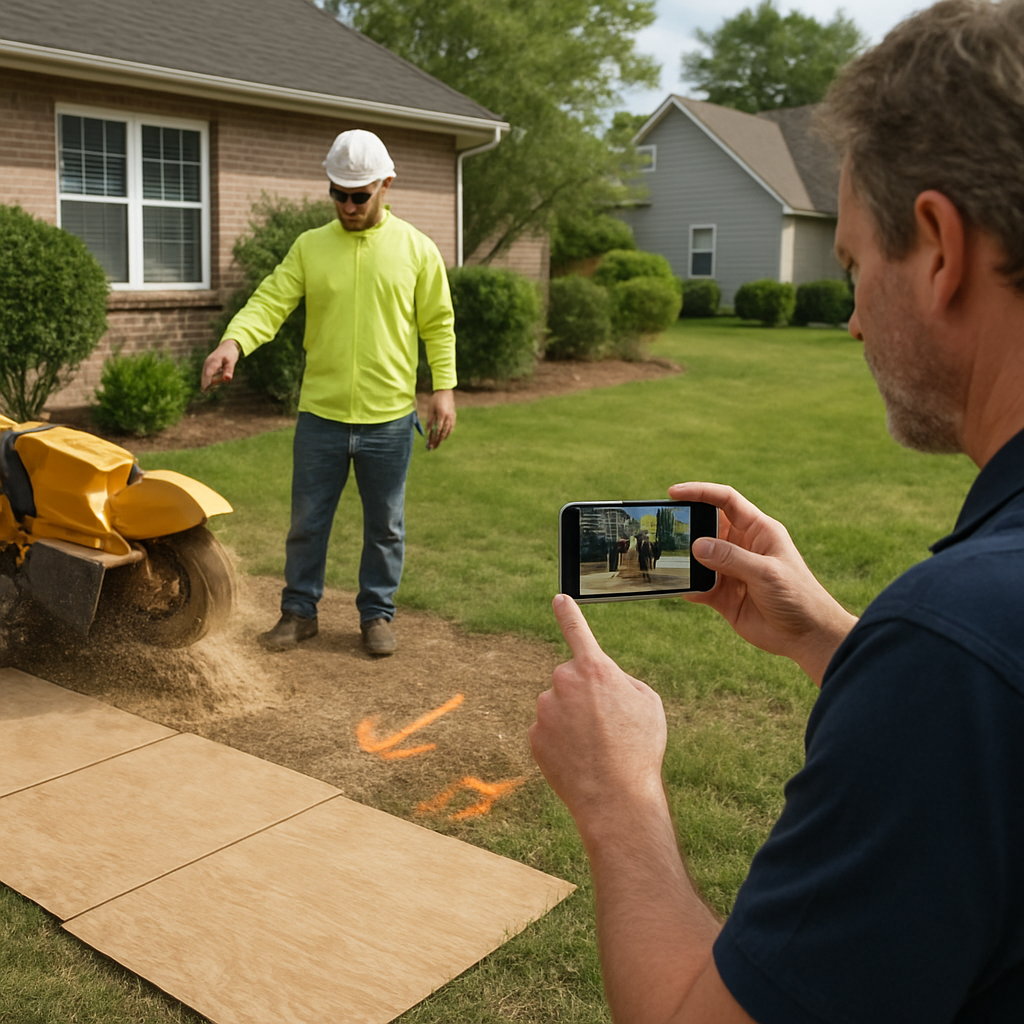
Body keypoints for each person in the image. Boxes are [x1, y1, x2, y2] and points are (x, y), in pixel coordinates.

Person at [528, 1, 1024, 1020]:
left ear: (937, 248)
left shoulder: (959, 648)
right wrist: (833, 639)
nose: (849, 317)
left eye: (852, 265)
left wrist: (618, 797)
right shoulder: (969, 660)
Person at [201, 129, 456, 656]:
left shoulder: (417, 249)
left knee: (386, 526)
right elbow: (269, 302)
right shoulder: (310, 247)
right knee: (307, 522)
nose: (347, 205)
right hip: (321, 416)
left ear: (385, 185)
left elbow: (439, 325)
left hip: (389, 420)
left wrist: (444, 391)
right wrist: (233, 342)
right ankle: (298, 613)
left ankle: (376, 616)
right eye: (337, 193)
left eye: (358, 195)